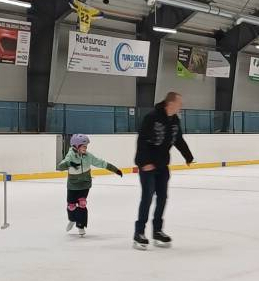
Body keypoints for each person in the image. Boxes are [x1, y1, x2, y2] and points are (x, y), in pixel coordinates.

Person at [134, 91, 194, 249]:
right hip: (148, 166)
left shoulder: (174, 120)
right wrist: (144, 162)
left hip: (162, 166)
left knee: (162, 198)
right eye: (179, 103)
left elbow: (178, 139)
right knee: (147, 198)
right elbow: (142, 140)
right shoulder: (152, 117)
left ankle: (157, 231)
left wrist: (188, 156)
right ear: (170, 103)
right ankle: (139, 233)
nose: (181, 106)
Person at [59, 133, 124, 236]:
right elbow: (59, 167)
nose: (85, 148)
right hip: (73, 185)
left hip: (85, 184)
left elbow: (101, 163)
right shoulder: (70, 156)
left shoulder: (88, 156)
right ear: (76, 146)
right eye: (84, 146)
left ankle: (81, 226)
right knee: (71, 206)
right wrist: (69, 164)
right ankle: (72, 219)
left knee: (82, 203)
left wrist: (115, 170)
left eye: (86, 146)